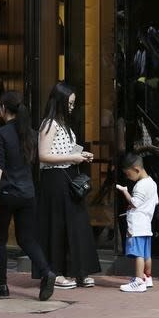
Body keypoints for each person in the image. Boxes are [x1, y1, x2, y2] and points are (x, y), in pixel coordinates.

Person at [0, 91, 57, 301]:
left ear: (3, 109)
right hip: (27, 193)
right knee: (27, 239)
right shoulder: (31, 134)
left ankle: (1, 284)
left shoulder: (0, 134)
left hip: (6, 193)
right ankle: (46, 272)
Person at [34, 82, 100, 289]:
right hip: (54, 179)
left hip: (67, 176)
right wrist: (74, 156)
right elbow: (43, 156)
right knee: (57, 226)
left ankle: (78, 271)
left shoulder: (64, 124)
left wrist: (80, 155)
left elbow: (66, 151)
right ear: (60, 101)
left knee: (77, 224)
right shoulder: (49, 124)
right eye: (70, 103)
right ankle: (57, 272)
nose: (72, 107)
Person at [116, 153, 158, 293]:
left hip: (137, 224)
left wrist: (124, 191)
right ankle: (147, 277)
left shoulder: (140, 186)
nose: (128, 177)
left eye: (129, 174)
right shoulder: (152, 183)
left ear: (136, 169)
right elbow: (155, 201)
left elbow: (134, 203)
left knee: (138, 253)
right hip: (146, 223)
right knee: (146, 254)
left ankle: (139, 280)